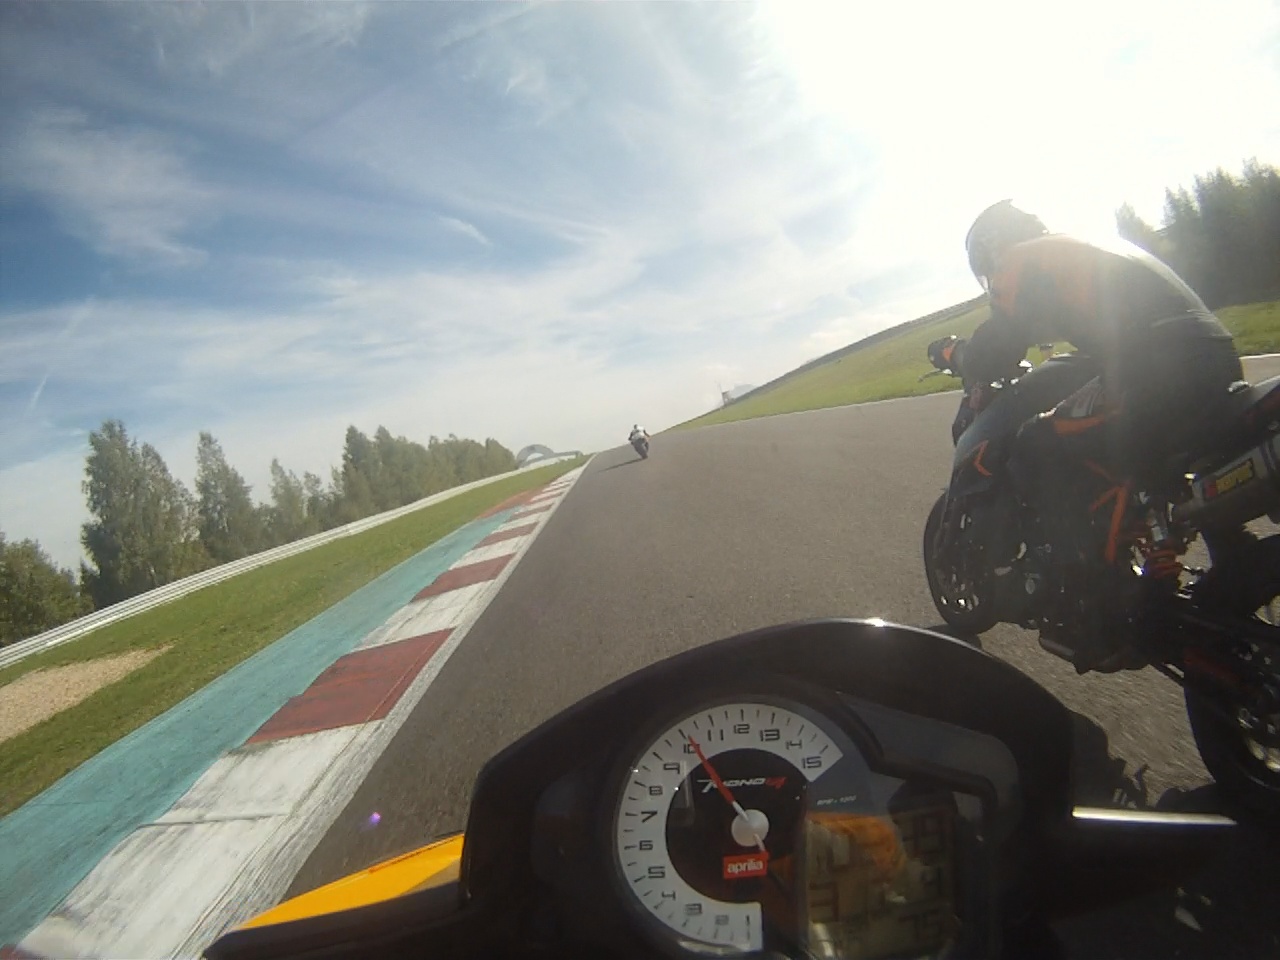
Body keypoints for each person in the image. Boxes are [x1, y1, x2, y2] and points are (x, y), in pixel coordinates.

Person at [931, 200, 1244, 670]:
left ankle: (1094, 594)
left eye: (985, 266)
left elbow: (997, 346)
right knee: (1155, 468)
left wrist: (953, 353)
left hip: (1156, 373)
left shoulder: (1020, 258)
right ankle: (1234, 566)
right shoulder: (1088, 248)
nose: (990, 275)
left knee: (1035, 443)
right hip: (1214, 360)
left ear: (994, 247)